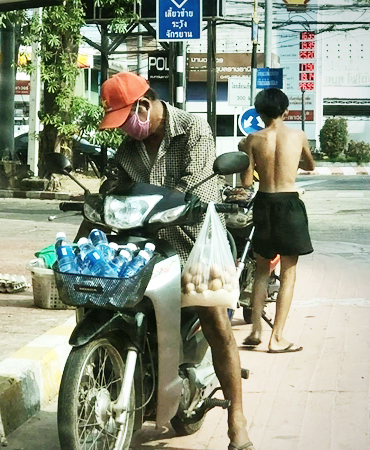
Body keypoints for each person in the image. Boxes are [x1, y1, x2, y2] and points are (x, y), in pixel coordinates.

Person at [97, 71, 254, 450]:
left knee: (215, 320)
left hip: (192, 243)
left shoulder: (195, 131)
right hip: (145, 245)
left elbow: (190, 185)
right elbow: (115, 187)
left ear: (144, 105)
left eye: (126, 120)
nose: (124, 130)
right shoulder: (127, 149)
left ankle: (237, 418)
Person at [238, 88, 315, 354]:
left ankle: (256, 330)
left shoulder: (253, 139)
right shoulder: (298, 135)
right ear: (285, 112)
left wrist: (245, 153)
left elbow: (246, 182)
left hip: (264, 202)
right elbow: (310, 165)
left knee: (261, 270)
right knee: (288, 273)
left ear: (259, 113)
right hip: (289, 204)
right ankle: (277, 338)